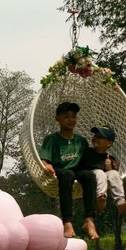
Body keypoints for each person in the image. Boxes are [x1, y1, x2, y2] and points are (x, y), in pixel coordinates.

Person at [39, 102, 98, 239]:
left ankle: (89, 220)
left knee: (89, 175)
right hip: (60, 171)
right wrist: (47, 165)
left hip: (78, 171)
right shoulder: (52, 139)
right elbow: (44, 159)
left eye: (73, 117)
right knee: (67, 174)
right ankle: (67, 221)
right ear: (57, 119)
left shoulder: (81, 141)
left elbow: (88, 161)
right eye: (66, 116)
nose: (71, 120)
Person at [78, 125, 126, 214]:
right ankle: (100, 197)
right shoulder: (86, 152)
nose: (96, 138)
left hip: (101, 180)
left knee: (114, 174)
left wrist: (110, 168)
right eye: (95, 136)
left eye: (100, 137)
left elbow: (111, 176)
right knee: (99, 172)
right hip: (87, 178)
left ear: (108, 143)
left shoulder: (110, 159)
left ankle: (120, 203)